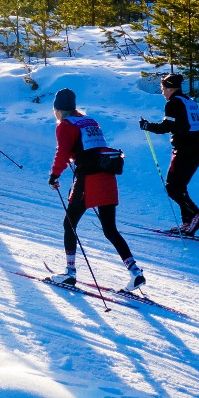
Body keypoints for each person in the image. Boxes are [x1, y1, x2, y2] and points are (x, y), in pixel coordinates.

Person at [47, 89, 145, 290]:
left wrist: (54, 175)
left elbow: (62, 153)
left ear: (57, 109)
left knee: (69, 225)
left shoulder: (65, 126)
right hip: (107, 176)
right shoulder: (89, 121)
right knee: (110, 229)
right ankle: (135, 272)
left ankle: (70, 273)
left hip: (88, 181)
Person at [140, 72, 199, 234]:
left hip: (185, 150)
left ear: (169, 88)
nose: (162, 92)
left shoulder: (173, 103)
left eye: (163, 88)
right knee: (179, 187)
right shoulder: (189, 101)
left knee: (172, 187)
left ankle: (196, 215)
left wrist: (147, 126)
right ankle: (188, 222)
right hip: (196, 148)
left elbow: (166, 127)